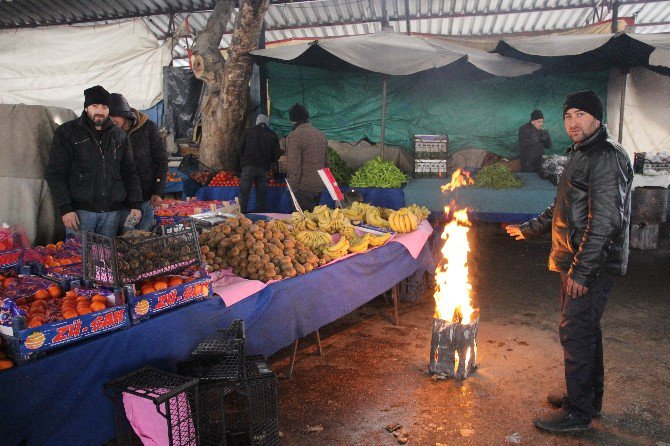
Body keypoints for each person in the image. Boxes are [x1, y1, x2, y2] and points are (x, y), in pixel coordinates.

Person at [506, 91, 633, 433]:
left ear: (595, 117)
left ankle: (578, 414)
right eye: (567, 116)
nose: (573, 122)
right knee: (585, 330)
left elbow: (605, 220)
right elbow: (564, 205)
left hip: (588, 263)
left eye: (580, 114)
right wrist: (529, 229)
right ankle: (587, 399)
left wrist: (582, 269)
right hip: (576, 259)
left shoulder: (605, 157)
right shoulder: (583, 152)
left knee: (575, 331)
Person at [45, 86, 143, 237]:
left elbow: (129, 171)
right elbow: (55, 173)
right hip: (81, 213)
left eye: (104, 107)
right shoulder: (68, 132)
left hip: (112, 213)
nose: (100, 111)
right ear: (86, 108)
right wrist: (66, 209)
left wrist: (136, 204)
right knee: (78, 256)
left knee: (105, 258)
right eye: (95, 106)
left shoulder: (119, 135)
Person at [109, 93, 168, 232]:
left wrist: (158, 191)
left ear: (125, 114)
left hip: (146, 197)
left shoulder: (147, 127)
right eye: (109, 116)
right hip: (122, 202)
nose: (112, 120)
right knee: (126, 240)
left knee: (144, 240)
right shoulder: (108, 133)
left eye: (115, 116)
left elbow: (161, 160)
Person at [285, 103, 328, 212]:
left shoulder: (295, 136)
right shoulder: (320, 134)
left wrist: (292, 188)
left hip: (303, 187)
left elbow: (294, 165)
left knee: (302, 223)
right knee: (314, 221)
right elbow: (326, 162)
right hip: (319, 185)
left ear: (293, 120)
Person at [236, 114, 281, 213]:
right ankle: (260, 216)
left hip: (248, 167)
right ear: (267, 122)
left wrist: (244, 160)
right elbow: (276, 155)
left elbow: (239, 148)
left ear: (257, 121)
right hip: (263, 169)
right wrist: (269, 161)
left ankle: (241, 214)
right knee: (261, 195)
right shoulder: (273, 135)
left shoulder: (248, 131)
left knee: (244, 192)